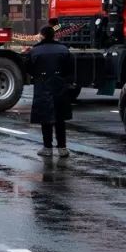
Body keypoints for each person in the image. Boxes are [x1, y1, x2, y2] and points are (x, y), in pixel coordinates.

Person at [27, 25, 74, 159]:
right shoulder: (64, 49)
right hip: (59, 85)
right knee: (60, 118)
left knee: (45, 118)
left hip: (43, 86)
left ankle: (47, 147)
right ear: (54, 35)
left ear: (42, 35)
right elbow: (70, 69)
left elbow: (29, 68)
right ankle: (62, 148)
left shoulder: (35, 51)